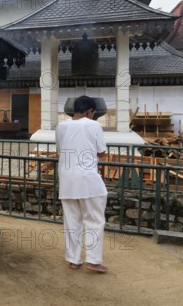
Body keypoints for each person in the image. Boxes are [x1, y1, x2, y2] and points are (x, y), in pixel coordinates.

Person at [55, 95, 108, 274]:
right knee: (94, 220)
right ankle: (93, 260)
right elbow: (102, 153)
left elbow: (60, 152)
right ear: (89, 111)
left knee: (71, 221)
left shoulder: (61, 127)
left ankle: (73, 260)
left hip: (67, 180)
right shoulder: (94, 125)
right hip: (88, 181)